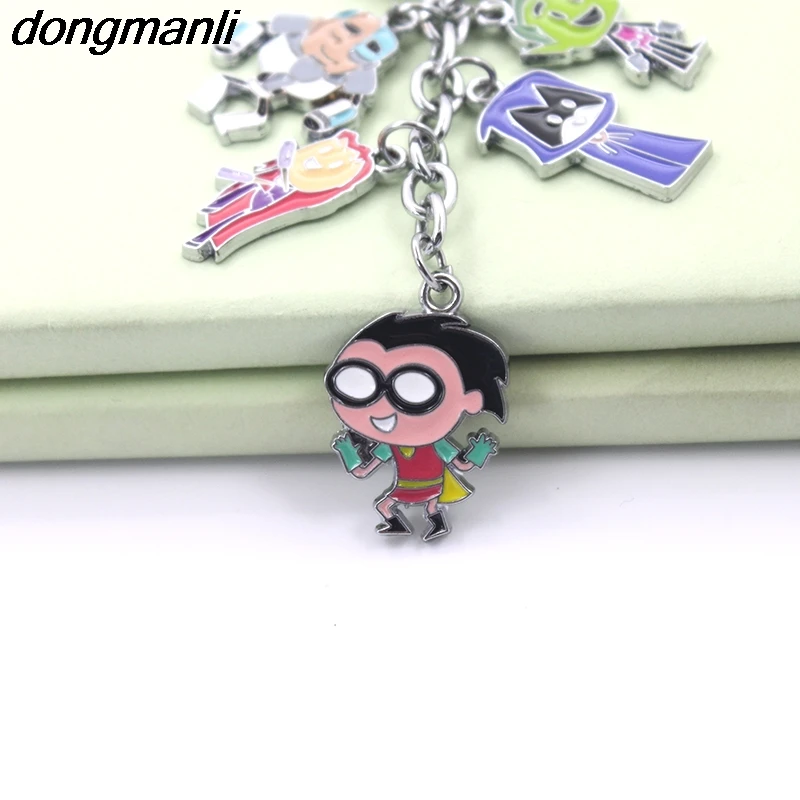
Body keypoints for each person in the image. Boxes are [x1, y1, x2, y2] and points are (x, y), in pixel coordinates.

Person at [326, 313, 509, 541]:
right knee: (427, 507)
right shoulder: (400, 445)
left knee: (386, 506)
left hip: (417, 487)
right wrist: (480, 452)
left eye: (418, 390)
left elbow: (362, 471)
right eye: (356, 381)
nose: (382, 408)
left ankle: (409, 525)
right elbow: (463, 465)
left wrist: (348, 451)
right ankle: (432, 524)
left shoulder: (407, 446)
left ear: (471, 400)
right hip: (426, 488)